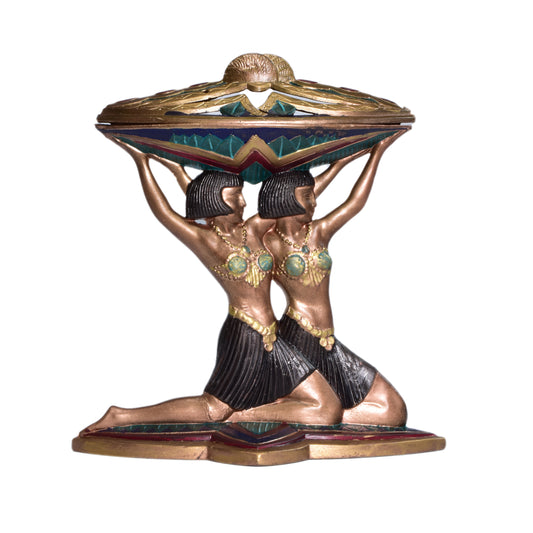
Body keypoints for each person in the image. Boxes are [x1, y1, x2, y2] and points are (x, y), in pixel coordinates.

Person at [82, 139, 342, 434]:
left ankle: (241, 416)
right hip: (244, 335)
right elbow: (164, 212)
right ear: (216, 201)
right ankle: (122, 416)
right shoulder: (206, 240)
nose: (243, 202)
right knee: (213, 408)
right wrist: (143, 163)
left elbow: (292, 200)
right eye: (235, 196)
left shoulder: (251, 230)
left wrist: (339, 163)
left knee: (326, 407)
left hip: (272, 337)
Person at [258, 133, 408, 426]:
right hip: (297, 337)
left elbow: (355, 202)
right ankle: (303, 412)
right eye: (307, 196)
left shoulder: (318, 233)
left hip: (326, 340)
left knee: (392, 410)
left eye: (312, 195)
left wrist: (372, 154)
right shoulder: (267, 243)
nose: (314, 202)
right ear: (287, 199)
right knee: (333, 406)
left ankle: (321, 416)